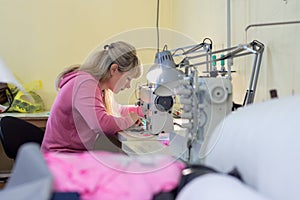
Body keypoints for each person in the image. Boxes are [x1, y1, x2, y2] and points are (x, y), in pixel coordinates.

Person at [41, 41, 143, 153]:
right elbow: (101, 124)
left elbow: (117, 110)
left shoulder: (101, 88)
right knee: (126, 164)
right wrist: (130, 119)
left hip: (74, 154)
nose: (128, 85)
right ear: (114, 69)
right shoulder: (85, 84)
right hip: (61, 157)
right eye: (128, 78)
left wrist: (142, 111)